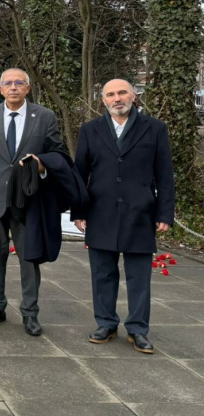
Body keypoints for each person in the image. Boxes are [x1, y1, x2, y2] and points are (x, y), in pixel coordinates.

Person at [73, 79, 175, 354]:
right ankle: (106, 323)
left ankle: (138, 329)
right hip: (100, 212)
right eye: (110, 94)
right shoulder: (90, 130)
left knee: (139, 276)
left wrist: (165, 212)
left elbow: (165, 174)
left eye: (121, 92)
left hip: (140, 212)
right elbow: (80, 175)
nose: (117, 98)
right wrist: (79, 211)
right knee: (102, 273)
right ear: (103, 100)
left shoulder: (154, 129)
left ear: (133, 95)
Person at [0, 68, 67, 336]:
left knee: (29, 257)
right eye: (7, 83)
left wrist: (41, 165)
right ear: (0, 89)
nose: (13, 87)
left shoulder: (44, 117)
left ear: (28, 88)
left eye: (19, 83)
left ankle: (30, 312)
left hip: (29, 199)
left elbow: (58, 153)